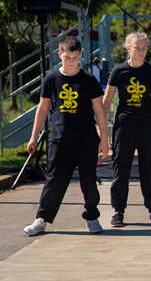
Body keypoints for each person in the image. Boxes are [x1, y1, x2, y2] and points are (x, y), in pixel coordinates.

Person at [23, 36, 109, 236]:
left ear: (80, 56)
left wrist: (104, 139)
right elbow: (42, 110)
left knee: (89, 179)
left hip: (86, 138)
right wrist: (34, 136)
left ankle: (92, 217)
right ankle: (42, 218)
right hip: (60, 139)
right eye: (67, 57)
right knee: (54, 179)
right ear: (60, 55)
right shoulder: (51, 79)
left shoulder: (89, 80)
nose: (71, 61)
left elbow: (99, 111)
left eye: (75, 57)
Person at [103, 32, 151, 227]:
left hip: (147, 125)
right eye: (137, 47)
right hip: (124, 126)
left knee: (149, 168)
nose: (142, 51)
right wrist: (101, 130)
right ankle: (118, 211)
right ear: (128, 48)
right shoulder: (118, 71)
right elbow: (106, 101)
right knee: (121, 168)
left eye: (144, 47)